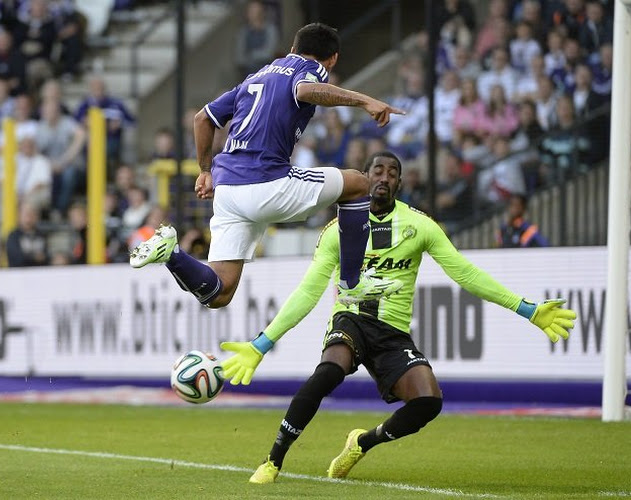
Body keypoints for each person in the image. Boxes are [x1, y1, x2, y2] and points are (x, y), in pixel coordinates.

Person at [219, 151, 577, 483]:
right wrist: (263, 343)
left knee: (428, 403)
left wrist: (526, 309)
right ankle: (273, 460)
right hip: (352, 319)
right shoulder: (339, 229)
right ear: (365, 177)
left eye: (393, 174)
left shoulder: (419, 226)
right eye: (378, 171)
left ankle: (362, 443)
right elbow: (308, 292)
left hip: (392, 331)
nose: (384, 178)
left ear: (399, 184)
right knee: (329, 372)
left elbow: (465, 274)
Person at [129, 23, 405, 309]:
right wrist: (364, 101)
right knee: (359, 183)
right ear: (332, 58)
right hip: (267, 181)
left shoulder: (256, 76)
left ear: (292, 49)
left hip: (227, 191)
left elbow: (203, 118)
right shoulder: (309, 68)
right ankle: (352, 284)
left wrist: (205, 170)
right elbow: (306, 90)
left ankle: (172, 254)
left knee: (218, 293)